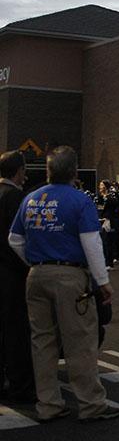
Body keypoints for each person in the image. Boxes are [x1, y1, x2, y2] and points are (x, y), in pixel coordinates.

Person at [8, 146, 119, 422]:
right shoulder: (79, 201)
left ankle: (49, 404)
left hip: (36, 275)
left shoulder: (30, 199)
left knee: (42, 342)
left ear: (47, 171)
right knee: (79, 340)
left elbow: (14, 239)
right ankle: (91, 404)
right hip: (69, 275)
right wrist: (102, 281)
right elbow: (91, 243)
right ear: (74, 171)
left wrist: (36, 263)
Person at [0, 151, 34, 404]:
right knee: (16, 332)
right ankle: (20, 387)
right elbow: (20, 240)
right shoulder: (16, 198)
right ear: (18, 171)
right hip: (12, 274)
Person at [96, 180, 119, 269]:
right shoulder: (98, 197)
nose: (100, 187)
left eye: (102, 185)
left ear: (106, 187)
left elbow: (116, 208)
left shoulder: (111, 198)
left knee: (107, 242)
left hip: (107, 221)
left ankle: (109, 263)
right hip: (99, 221)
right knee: (101, 243)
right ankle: (103, 261)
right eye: (99, 185)